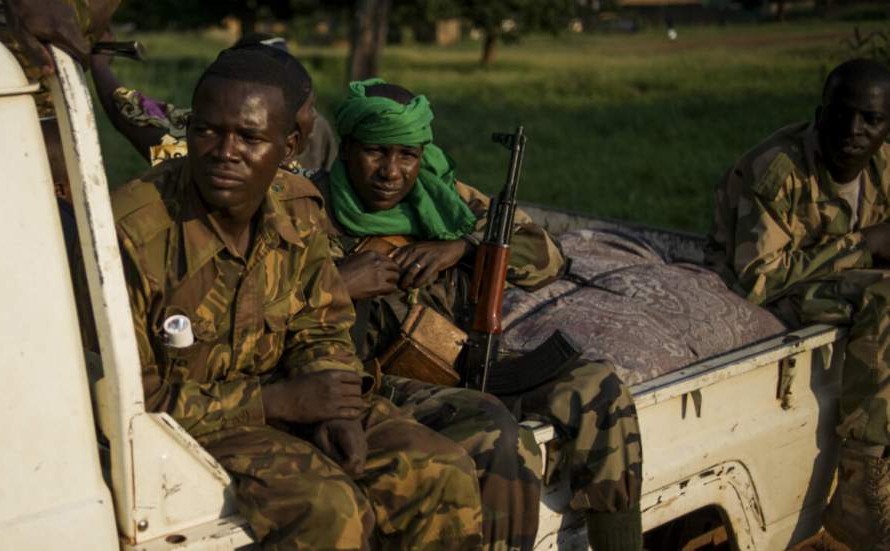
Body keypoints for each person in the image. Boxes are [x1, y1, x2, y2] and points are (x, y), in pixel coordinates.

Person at [112, 48, 484, 550]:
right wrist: (276, 401)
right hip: (196, 423)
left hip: (297, 396)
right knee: (331, 512)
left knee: (442, 471)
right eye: (205, 131)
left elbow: (322, 321)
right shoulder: (134, 233)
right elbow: (132, 403)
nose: (225, 151)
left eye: (249, 137)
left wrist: (335, 403)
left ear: (289, 146)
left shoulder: (298, 207)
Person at [314, 79, 644, 551]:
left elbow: (547, 259)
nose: (391, 172)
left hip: (464, 357)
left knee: (601, 388)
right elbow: (275, 298)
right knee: (498, 435)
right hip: (380, 376)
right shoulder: (309, 210)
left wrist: (463, 246)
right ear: (346, 150)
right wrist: (341, 281)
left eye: (407, 156)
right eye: (375, 153)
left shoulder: (445, 198)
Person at [706, 58, 890, 550]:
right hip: (762, 298)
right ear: (819, 113)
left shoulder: (885, 164)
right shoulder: (777, 170)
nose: (854, 131)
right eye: (842, 114)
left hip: (828, 284)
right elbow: (757, 279)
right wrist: (864, 245)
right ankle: (858, 488)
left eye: (870, 120)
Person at [91, 32, 337, 173]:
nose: (228, 151)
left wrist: (99, 64)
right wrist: (99, 64)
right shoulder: (201, 143)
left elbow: (131, 114)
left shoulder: (315, 134)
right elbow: (132, 111)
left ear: (290, 147)